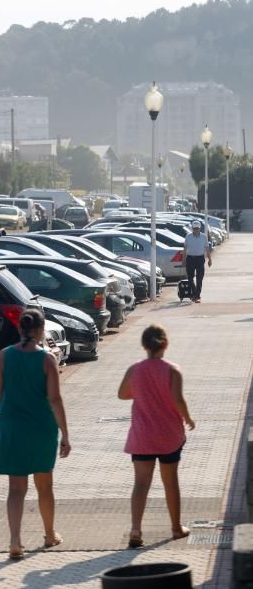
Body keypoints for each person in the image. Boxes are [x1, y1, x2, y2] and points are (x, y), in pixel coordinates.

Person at [0, 308, 71, 560]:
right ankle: (50, 533)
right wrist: (65, 434)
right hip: (41, 428)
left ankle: (15, 540)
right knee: (45, 487)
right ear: (41, 331)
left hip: (12, 428)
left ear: (20, 329)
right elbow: (55, 398)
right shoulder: (47, 359)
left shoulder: (4, 356)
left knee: (16, 489)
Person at [118, 324, 195, 548]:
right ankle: (176, 527)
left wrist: (140, 392)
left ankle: (135, 529)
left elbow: (122, 394)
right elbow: (178, 399)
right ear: (166, 344)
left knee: (141, 483)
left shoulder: (135, 370)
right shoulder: (173, 370)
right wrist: (188, 419)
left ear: (143, 345)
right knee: (170, 481)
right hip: (169, 435)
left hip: (142, 436)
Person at [182, 220, 212, 302]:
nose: (196, 230)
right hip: (190, 259)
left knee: (200, 278)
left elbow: (207, 248)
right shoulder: (188, 236)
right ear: (192, 228)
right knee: (190, 278)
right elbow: (185, 249)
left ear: (200, 228)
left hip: (200, 259)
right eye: (194, 228)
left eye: (197, 228)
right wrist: (183, 259)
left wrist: (210, 259)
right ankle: (195, 293)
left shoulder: (204, 237)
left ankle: (197, 296)